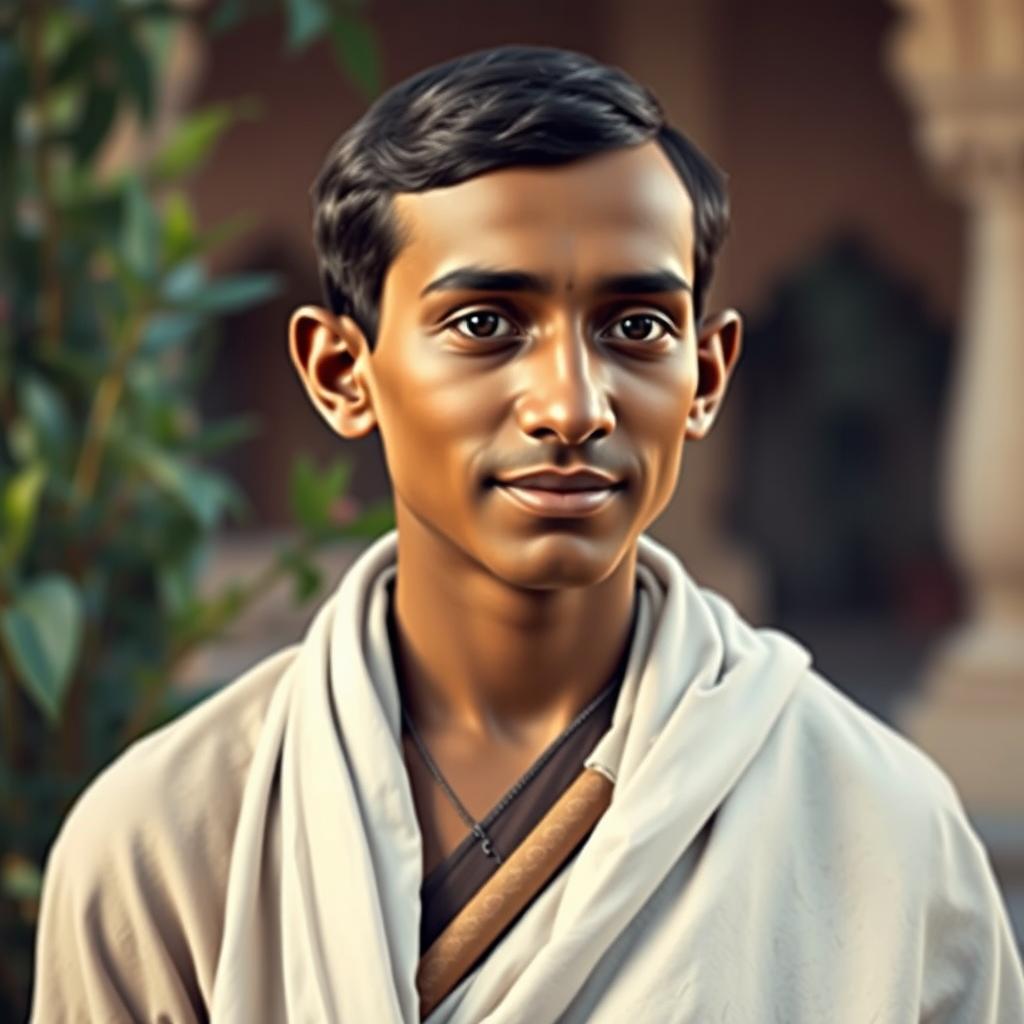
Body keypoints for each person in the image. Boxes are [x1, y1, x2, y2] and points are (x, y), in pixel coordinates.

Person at [31, 45, 1024, 1023]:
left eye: (635, 327)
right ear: (342, 373)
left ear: (707, 378)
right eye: (483, 324)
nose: (570, 404)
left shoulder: (882, 830)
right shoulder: (166, 841)